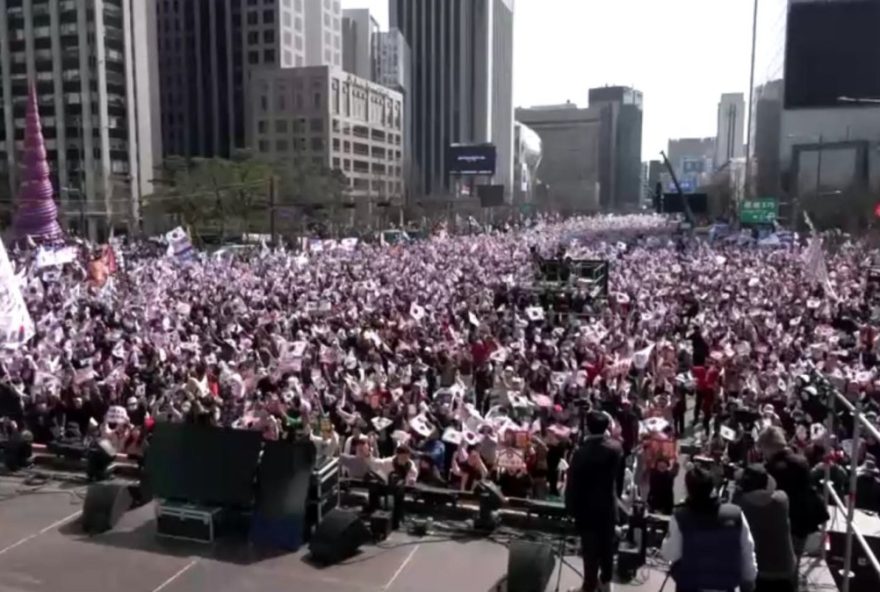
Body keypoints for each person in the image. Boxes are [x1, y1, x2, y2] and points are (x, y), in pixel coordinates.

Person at [662, 465, 757, 592]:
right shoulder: (735, 514)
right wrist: (749, 578)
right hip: (727, 587)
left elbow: (670, 554)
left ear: (688, 490)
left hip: (690, 586)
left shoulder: (680, 516)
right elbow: (747, 550)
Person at [565, 411, 623, 592]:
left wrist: (570, 509)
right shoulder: (616, 449)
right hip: (607, 507)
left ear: (588, 428)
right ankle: (605, 581)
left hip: (586, 510)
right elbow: (619, 481)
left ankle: (588, 586)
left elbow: (572, 484)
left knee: (590, 551)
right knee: (607, 547)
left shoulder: (581, 453)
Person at [758, 427, 827, 564]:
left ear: (769, 446)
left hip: (784, 524)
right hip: (802, 522)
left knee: (779, 564)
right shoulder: (801, 461)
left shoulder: (773, 468)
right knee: (794, 561)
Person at [733, 464, 797, 592]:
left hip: (757, 570)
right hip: (784, 569)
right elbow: (773, 492)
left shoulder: (740, 504)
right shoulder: (782, 501)